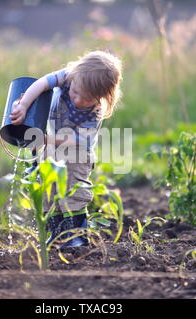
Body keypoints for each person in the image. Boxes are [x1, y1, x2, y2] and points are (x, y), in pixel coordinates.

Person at [10, 50, 122, 248]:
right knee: (46, 184)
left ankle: (76, 233)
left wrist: (46, 139)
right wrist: (24, 105)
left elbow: (76, 140)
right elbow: (42, 83)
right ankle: (55, 230)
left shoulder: (95, 113)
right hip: (51, 143)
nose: (79, 101)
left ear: (102, 97)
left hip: (78, 151)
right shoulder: (69, 75)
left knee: (73, 188)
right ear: (74, 76)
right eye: (76, 93)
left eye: (87, 99)